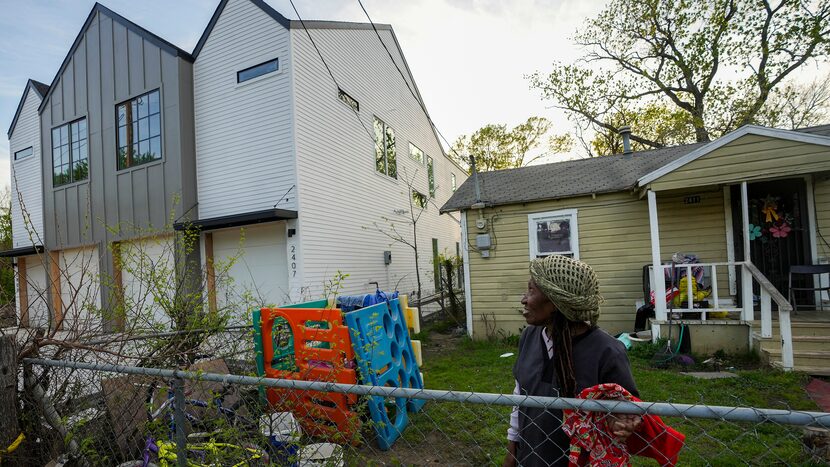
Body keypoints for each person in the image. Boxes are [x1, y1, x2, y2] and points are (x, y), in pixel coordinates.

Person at [504, 255, 641, 467]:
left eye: (531, 291)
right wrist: (513, 445)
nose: (524, 299)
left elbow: (628, 409)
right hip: (530, 457)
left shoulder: (607, 351)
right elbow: (520, 393)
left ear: (556, 303)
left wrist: (623, 420)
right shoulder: (529, 337)